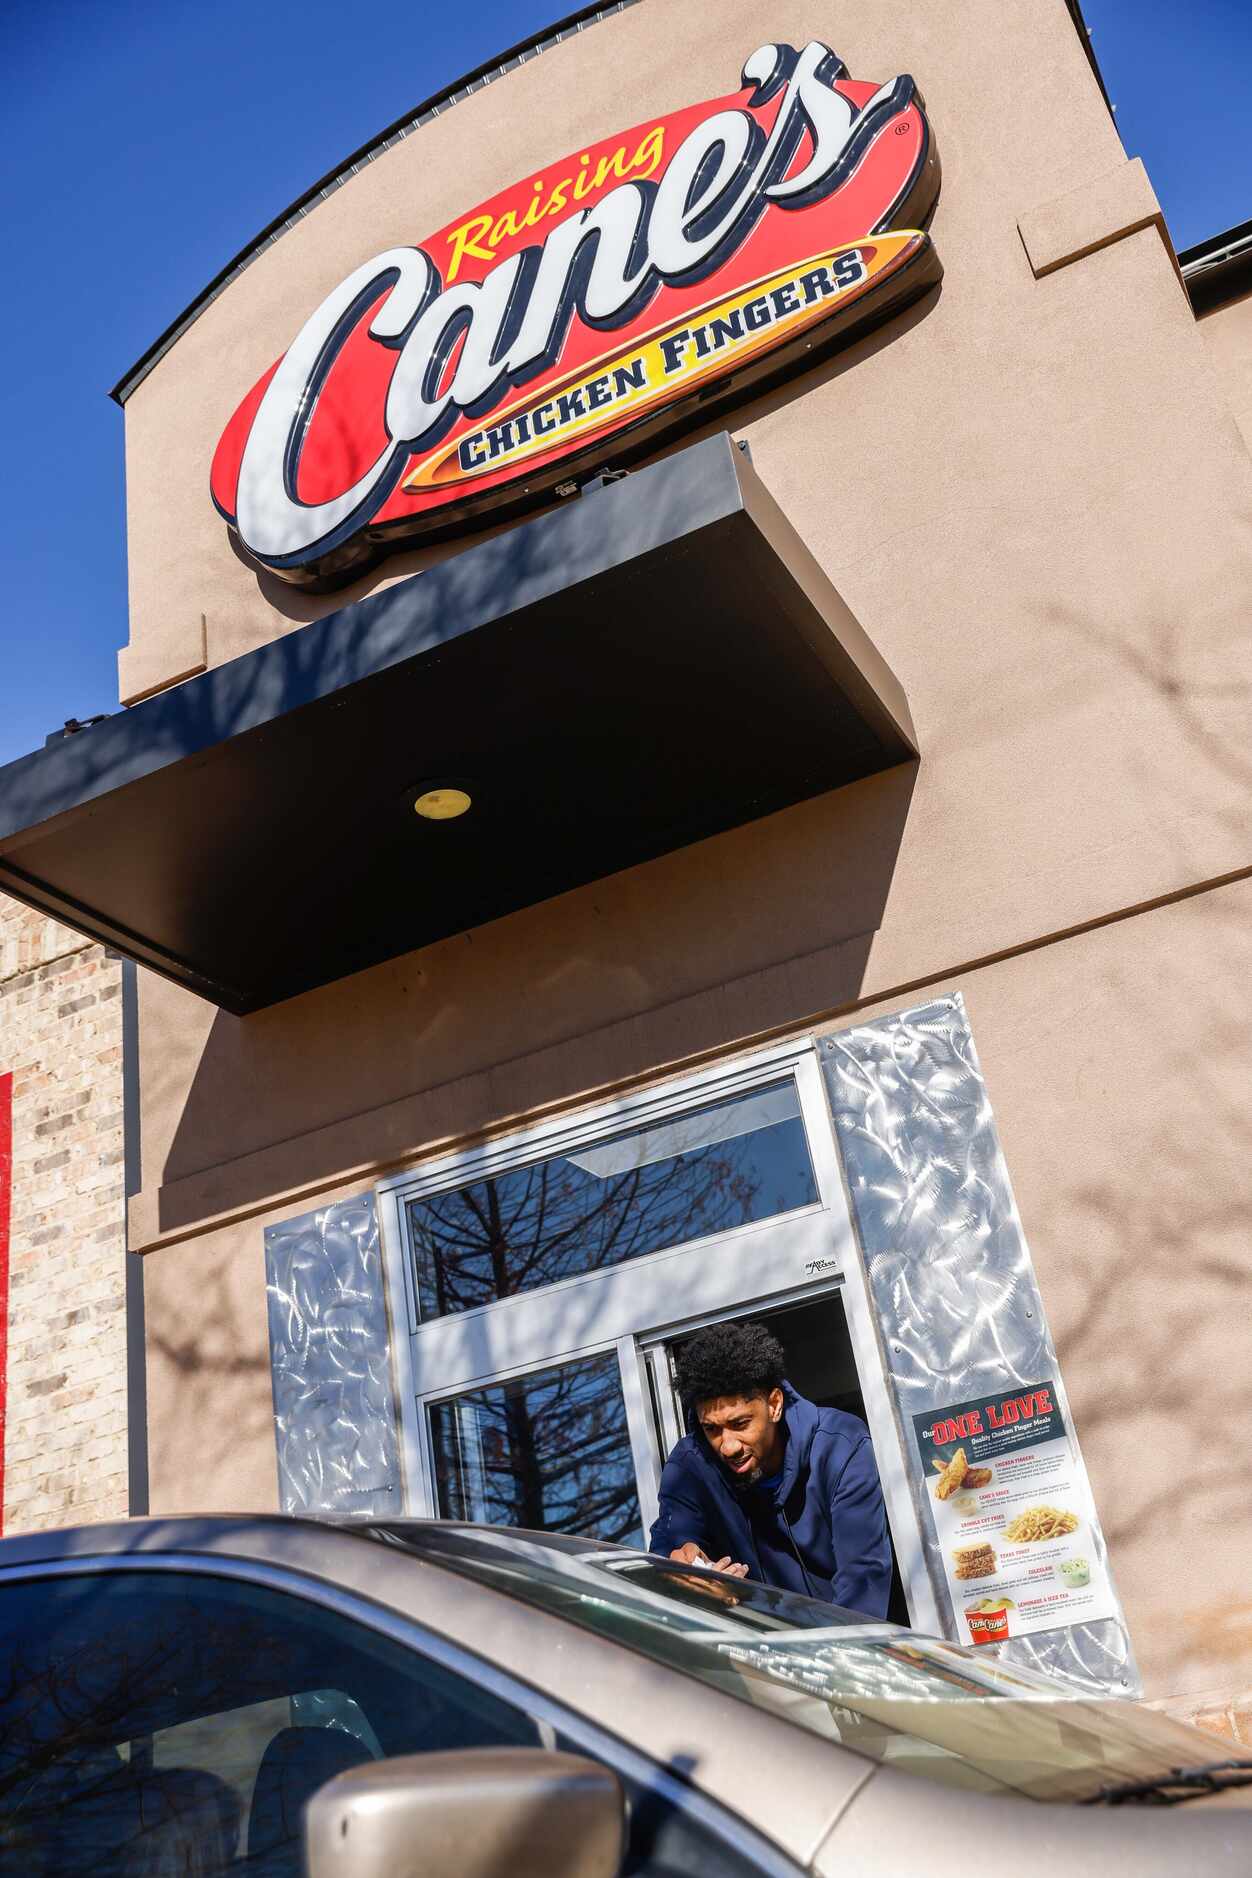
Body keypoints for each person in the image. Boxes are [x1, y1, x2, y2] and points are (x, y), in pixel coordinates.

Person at [647, 1320, 893, 1618]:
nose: (728, 1446)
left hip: (844, 1645)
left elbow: (863, 1576)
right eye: (711, 1429)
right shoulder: (689, 1467)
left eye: (740, 1424)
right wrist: (680, 1562)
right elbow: (667, 1549)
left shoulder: (840, 1445)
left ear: (774, 1405)